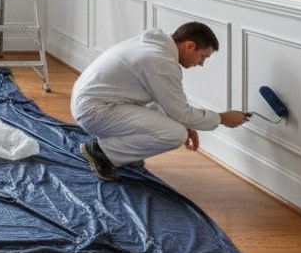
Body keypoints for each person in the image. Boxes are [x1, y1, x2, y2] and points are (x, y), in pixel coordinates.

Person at [71, 22, 247, 181]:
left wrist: (185, 121)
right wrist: (222, 118)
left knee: (170, 120)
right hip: (95, 111)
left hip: (95, 102)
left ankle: (121, 153)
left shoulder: (154, 46)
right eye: (203, 56)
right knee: (175, 134)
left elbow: (168, 104)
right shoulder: (161, 62)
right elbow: (181, 113)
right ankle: (100, 152)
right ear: (189, 46)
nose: (201, 63)